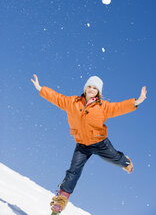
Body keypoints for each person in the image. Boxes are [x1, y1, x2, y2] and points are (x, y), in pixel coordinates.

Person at [31, 74, 147, 214]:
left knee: (115, 158)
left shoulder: (103, 107)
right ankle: (60, 201)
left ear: (98, 92)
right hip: (82, 145)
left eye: (95, 88)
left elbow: (119, 107)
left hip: (100, 143)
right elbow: (57, 98)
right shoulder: (72, 102)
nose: (91, 89)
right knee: (73, 171)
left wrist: (136, 101)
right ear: (85, 88)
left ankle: (126, 163)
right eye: (89, 86)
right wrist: (40, 88)